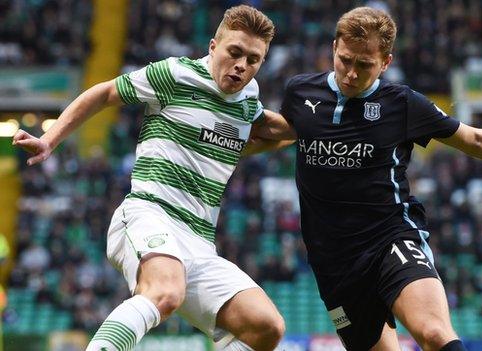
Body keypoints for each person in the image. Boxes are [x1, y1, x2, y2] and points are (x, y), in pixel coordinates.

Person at [248, 6, 482, 351]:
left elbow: (473, 138)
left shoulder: (403, 103)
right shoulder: (301, 91)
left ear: (386, 63)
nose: (351, 73)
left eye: (365, 65)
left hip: (389, 237)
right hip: (332, 259)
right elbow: (279, 136)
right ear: (334, 48)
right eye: (345, 60)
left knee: (435, 333)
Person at [13, 5, 285, 351]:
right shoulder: (175, 74)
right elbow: (105, 92)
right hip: (149, 213)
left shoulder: (248, 101)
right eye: (235, 52)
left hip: (200, 241)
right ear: (214, 46)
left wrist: (328, 125)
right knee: (166, 291)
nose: (242, 65)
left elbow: (278, 131)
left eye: (253, 59)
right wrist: (49, 140)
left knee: (266, 327)